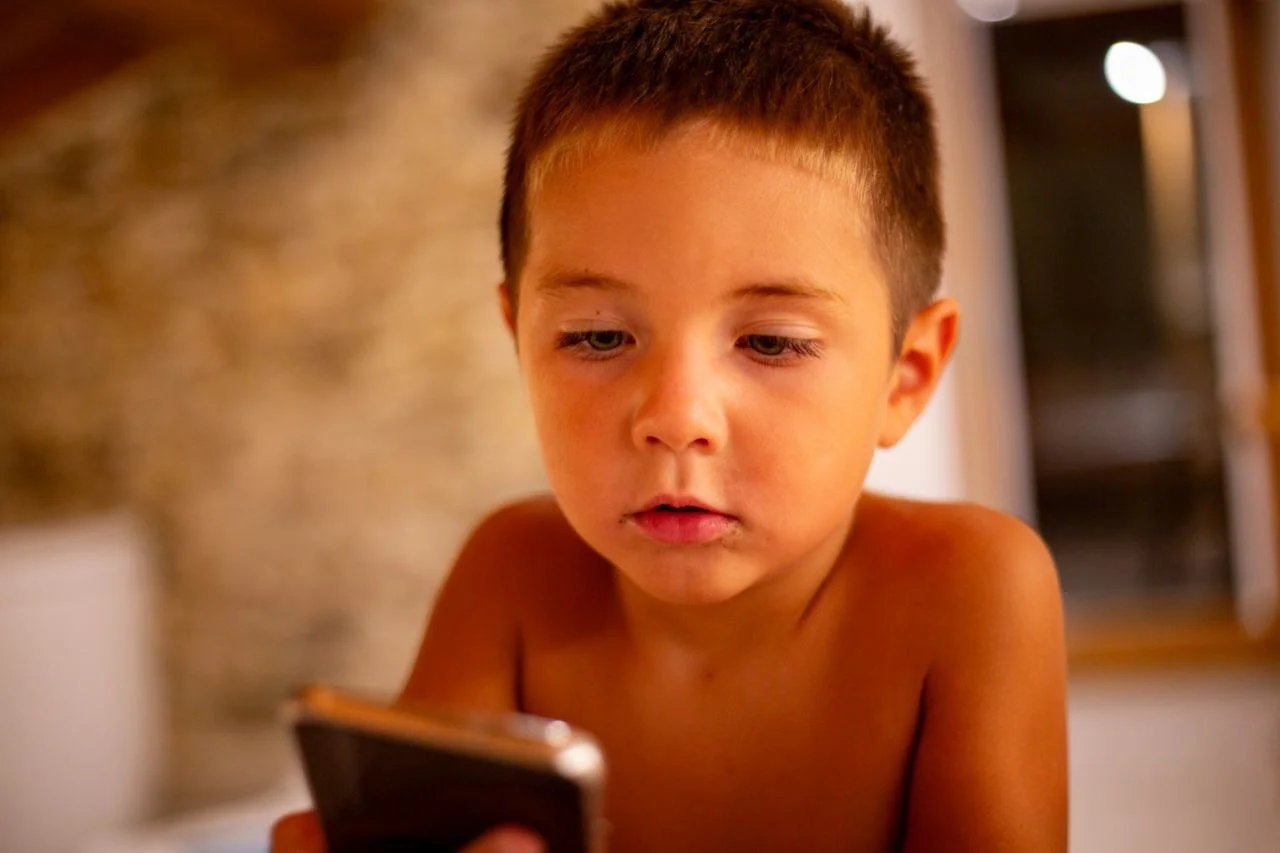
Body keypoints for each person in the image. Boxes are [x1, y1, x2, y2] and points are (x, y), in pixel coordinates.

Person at [271, 1, 1069, 850]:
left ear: (905, 377)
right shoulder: (510, 577)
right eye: (599, 337)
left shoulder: (969, 591)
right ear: (521, 345)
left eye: (771, 341)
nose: (676, 418)